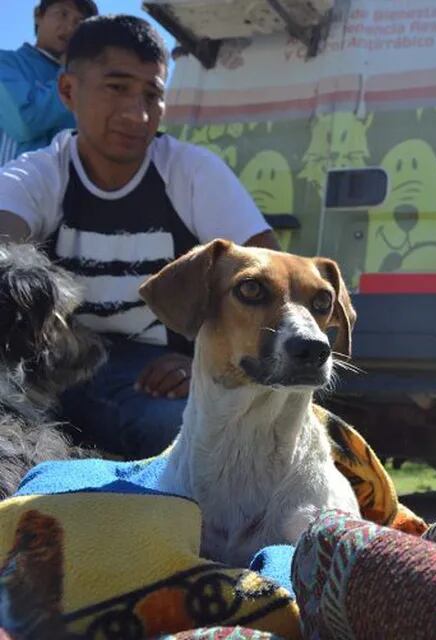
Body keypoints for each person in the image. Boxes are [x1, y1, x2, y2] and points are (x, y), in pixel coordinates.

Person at [0, 15, 279, 458]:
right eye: (117, 87)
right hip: (52, 370)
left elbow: (271, 276)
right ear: (69, 91)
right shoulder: (42, 173)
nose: (138, 113)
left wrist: (209, 362)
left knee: (181, 430)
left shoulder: (190, 172)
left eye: (153, 94)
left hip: (154, 377)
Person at [0, 0, 98, 165]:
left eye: (79, 23)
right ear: (38, 15)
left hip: (69, 188)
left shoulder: (87, 83)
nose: (69, 28)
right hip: (13, 186)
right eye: (63, 14)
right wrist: (70, 70)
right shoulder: (7, 62)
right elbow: (24, 124)